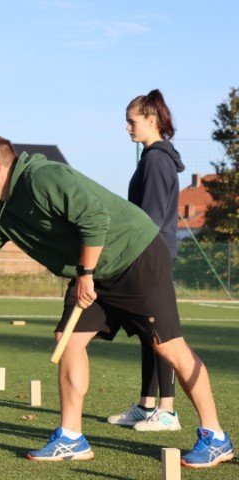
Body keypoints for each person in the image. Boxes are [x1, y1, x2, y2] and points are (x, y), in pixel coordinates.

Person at [0, 135, 233, 468]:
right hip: (92, 268)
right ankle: (72, 437)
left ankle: (215, 437)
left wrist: (86, 274)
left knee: (167, 347)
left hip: (135, 255)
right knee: (68, 341)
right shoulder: (3, 214)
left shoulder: (44, 177)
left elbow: (95, 217)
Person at [107, 89, 185, 432]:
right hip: (152, 252)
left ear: (151, 120)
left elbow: (149, 219)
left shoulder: (155, 159)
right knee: (147, 331)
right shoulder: (151, 158)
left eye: (131, 121)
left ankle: (166, 411)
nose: (127, 128)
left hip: (152, 254)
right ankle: (146, 405)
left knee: (159, 330)